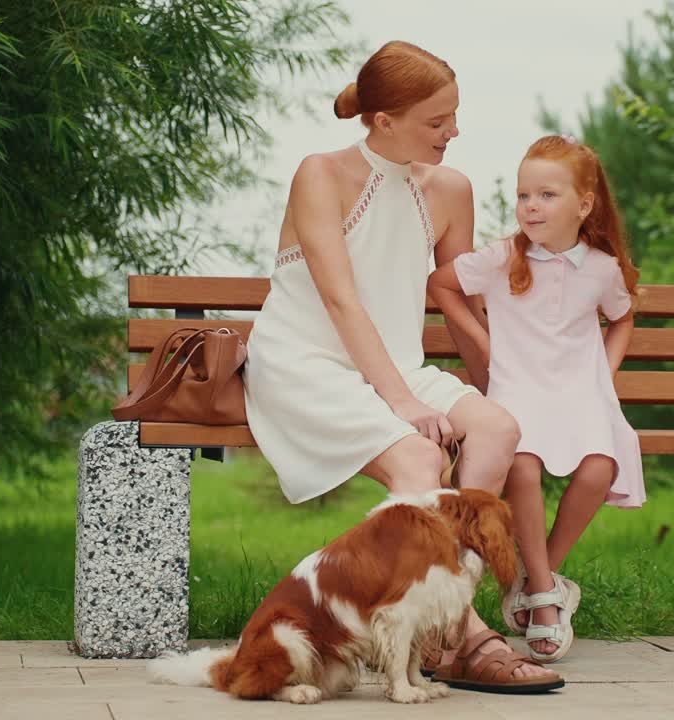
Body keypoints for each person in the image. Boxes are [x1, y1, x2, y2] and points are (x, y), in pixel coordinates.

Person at [242, 41, 562, 692]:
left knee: (498, 428)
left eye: (455, 116)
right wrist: (404, 405)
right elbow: (339, 299)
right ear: (383, 121)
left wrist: (500, 380)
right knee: (418, 460)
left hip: (394, 362)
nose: (454, 132)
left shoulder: (450, 189)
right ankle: (465, 635)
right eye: (437, 121)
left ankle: (441, 622)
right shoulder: (321, 175)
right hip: (308, 360)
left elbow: (457, 299)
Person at [428, 134, 646, 663]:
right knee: (521, 465)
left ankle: (535, 577)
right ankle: (546, 600)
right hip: (518, 388)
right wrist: (482, 343)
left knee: (599, 467)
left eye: (547, 195)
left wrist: (605, 374)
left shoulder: (602, 267)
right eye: (525, 195)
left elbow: (622, 318)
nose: (530, 206)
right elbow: (441, 284)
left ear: (584, 204)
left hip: (580, 393)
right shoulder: (503, 258)